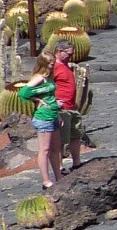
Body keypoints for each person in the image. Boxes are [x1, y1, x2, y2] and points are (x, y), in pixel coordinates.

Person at [17, 54, 61, 189]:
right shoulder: (39, 78)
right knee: (45, 149)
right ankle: (46, 181)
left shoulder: (49, 78)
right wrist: (37, 100)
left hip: (53, 115)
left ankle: (59, 177)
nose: (52, 64)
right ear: (43, 63)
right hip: (43, 117)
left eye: (53, 62)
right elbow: (23, 93)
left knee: (56, 149)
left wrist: (58, 115)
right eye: (50, 62)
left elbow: (51, 96)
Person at [50, 40, 84, 173]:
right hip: (62, 109)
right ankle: (60, 167)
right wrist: (54, 103)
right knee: (61, 140)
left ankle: (77, 163)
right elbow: (47, 85)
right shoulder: (54, 67)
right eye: (68, 54)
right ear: (59, 52)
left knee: (76, 134)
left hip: (72, 107)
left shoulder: (66, 66)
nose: (71, 56)